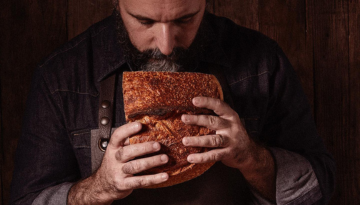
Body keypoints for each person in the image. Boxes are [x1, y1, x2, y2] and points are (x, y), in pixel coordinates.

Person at [10, 0, 335, 204]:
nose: (166, 46)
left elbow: (319, 187)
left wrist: (252, 158)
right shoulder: (62, 77)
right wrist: (98, 189)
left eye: (184, 20)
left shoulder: (262, 62)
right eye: (145, 22)